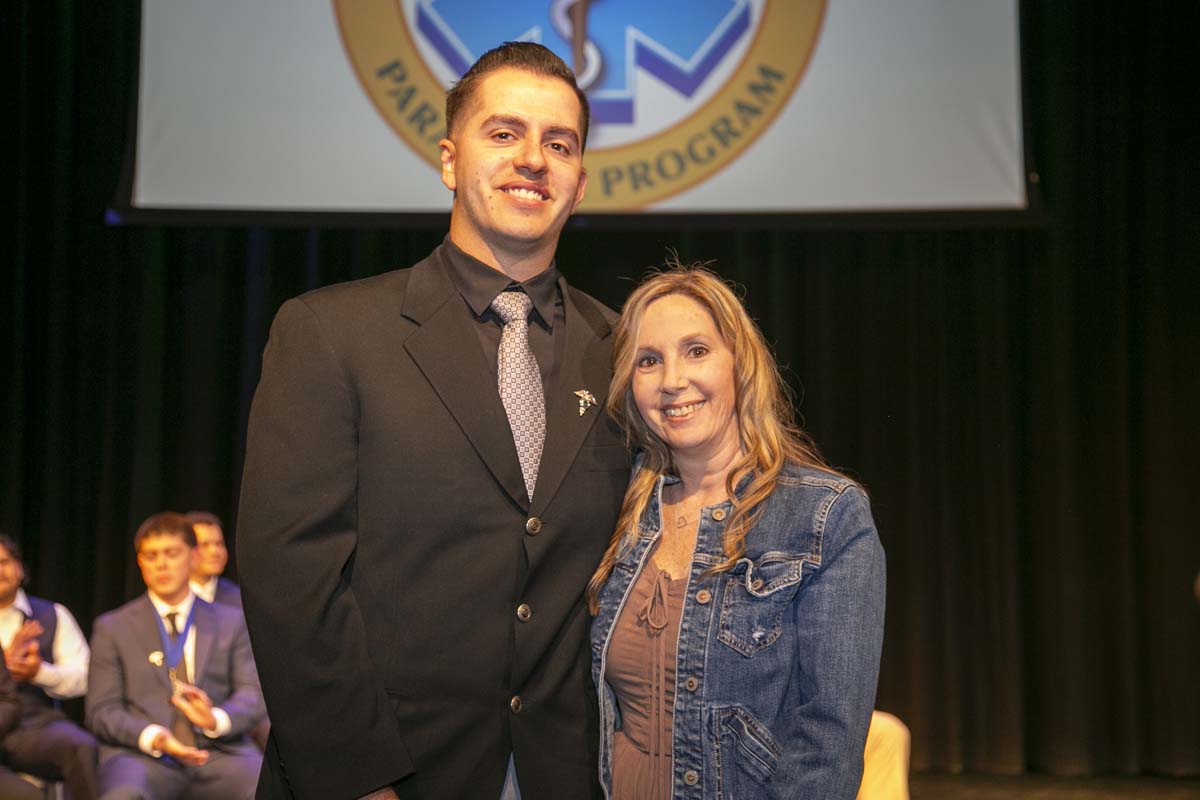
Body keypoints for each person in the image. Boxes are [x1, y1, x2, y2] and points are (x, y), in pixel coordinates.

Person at [237, 42, 629, 800]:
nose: (534, 159)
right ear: (450, 160)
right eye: (504, 133)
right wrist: (356, 779)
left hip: (573, 774)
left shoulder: (623, 352)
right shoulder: (330, 332)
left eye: (560, 144)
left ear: (579, 182)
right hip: (385, 774)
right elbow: (291, 576)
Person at [588, 267, 886, 799]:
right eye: (648, 360)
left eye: (696, 351)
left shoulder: (826, 515)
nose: (672, 380)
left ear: (740, 363)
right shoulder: (619, 509)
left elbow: (829, 742)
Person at [86, 512, 264, 799]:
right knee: (124, 795)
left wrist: (215, 719)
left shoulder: (231, 622)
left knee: (260, 789)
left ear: (193, 557)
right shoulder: (112, 627)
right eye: (151, 556)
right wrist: (154, 736)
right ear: (140, 562)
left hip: (218, 753)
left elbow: (253, 695)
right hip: (142, 756)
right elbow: (102, 711)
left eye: (171, 553)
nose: (161, 564)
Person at [0, 533, 98, 799]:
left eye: (4, 562)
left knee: (81, 746)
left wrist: (40, 673)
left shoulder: (52, 614)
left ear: (19, 568)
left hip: (34, 728)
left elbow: (86, 677)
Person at [184, 512, 241, 608]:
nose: (215, 552)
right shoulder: (168, 596)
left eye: (219, 544)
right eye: (204, 545)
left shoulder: (239, 600)